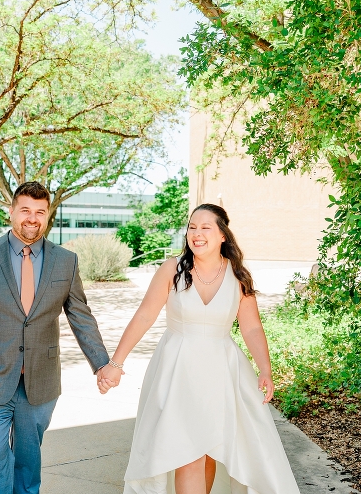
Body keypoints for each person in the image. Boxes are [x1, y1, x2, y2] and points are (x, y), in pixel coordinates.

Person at [99, 203, 302, 494]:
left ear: (222, 235)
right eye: (192, 227)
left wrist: (265, 370)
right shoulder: (173, 268)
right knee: (186, 451)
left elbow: (252, 327)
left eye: (206, 227)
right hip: (177, 369)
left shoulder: (238, 275)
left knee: (209, 451)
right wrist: (116, 364)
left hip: (222, 372)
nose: (196, 233)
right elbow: (145, 315)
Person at [0, 181, 112, 494]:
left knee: (28, 461)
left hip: (41, 382)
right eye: (25, 210)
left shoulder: (66, 260)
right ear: (11, 212)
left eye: (40, 211)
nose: (32, 218)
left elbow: (81, 316)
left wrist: (101, 363)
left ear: (48, 215)